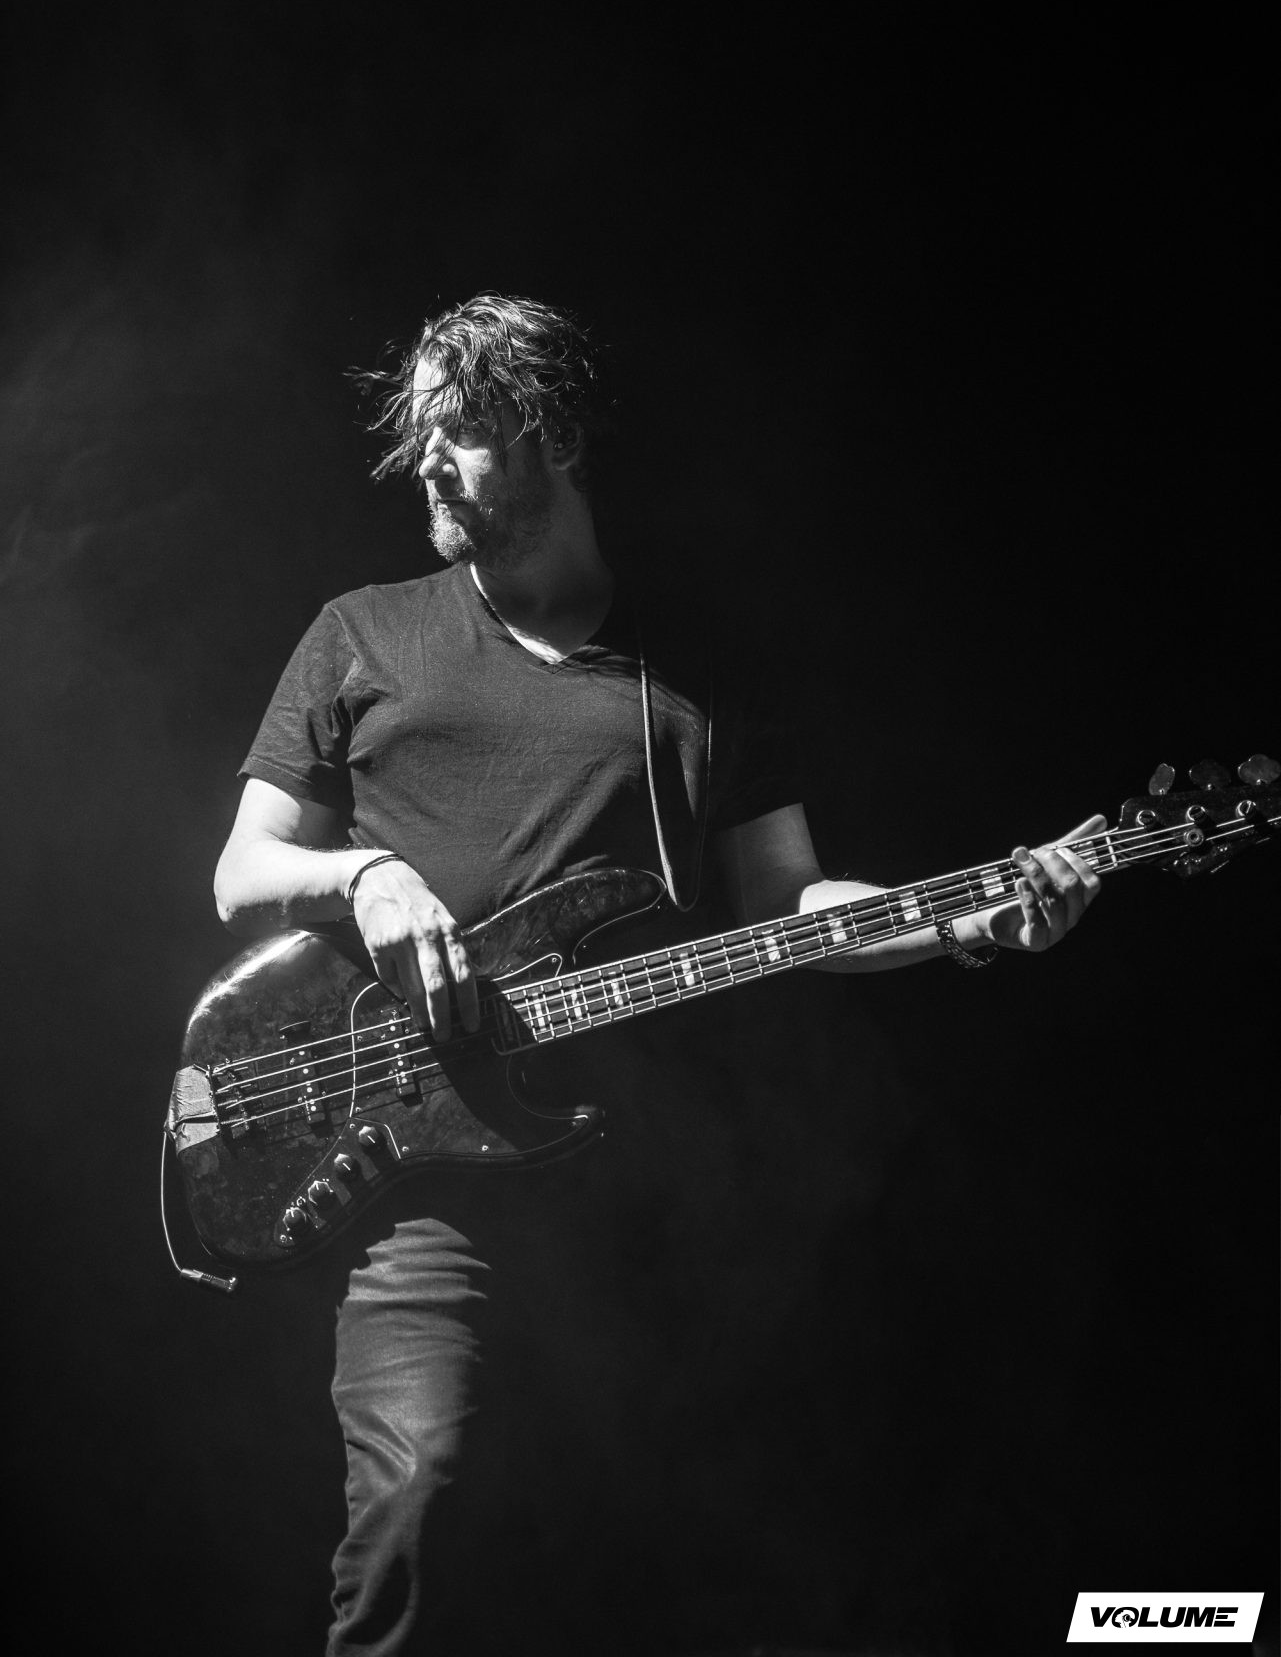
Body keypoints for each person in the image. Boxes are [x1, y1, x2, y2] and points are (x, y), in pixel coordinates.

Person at [212, 292, 1103, 1655]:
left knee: (704, 1544)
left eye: (459, 432)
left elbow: (792, 904)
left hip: (645, 1179)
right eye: (421, 435)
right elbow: (243, 873)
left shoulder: (697, 674)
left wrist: (971, 919)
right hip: (425, 1172)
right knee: (420, 1505)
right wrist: (366, 877)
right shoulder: (363, 633)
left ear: (553, 436)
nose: (426, 463)